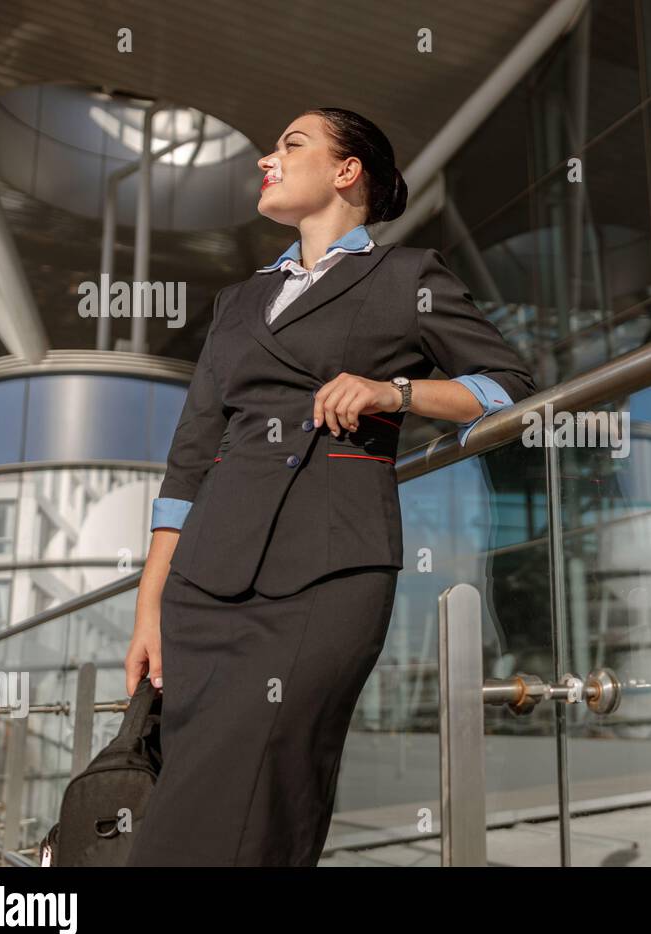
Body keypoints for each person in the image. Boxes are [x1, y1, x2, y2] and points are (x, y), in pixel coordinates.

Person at [122, 107, 537, 866]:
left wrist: (397, 394)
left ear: (347, 171)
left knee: (270, 781)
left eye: (290, 144)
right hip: (206, 580)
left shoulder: (407, 275)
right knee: (187, 795)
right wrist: (151, 601)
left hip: (327, 570)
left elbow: (509, 388)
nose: (265, 161)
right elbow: (190, 457)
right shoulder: (237, 303)